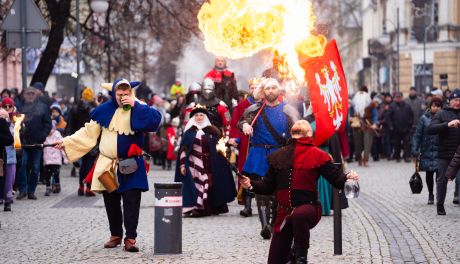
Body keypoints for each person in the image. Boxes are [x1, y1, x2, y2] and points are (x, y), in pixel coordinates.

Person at [55, 79, 162, 252]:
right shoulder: (104, 111)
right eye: (119, 94)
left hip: (132, 163)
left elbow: (155, 121)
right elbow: (88, 133)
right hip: (108, 164)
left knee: (131, 200)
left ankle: (131, 237)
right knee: (111, 200)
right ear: (113, 94)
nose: (122, 97)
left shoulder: (139, 107)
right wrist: (65, 142)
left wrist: (136, 105)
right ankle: (116, 234)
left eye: (126, 94)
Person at [240, 120, 360, 264]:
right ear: (309, 134)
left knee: (299, 215)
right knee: (275, 260)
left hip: (308, 208)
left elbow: (336, 178)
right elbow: (267, 185)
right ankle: (292, 256)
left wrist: (347, 177)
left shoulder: (317, 155)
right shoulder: (279, 155)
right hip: (284, 213)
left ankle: (301, 257)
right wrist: (250, 184)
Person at [239, 78, 299, 239]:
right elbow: (243, 121)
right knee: (260, 190)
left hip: (279, 154)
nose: (271, 91)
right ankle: (264, 225)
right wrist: (245, 126)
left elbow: (297, 130)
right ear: (263, 91)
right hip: (259, 155)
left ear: (279, 90)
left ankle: (273, 223)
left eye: (274, 88)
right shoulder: (255, 109)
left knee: (276, 192)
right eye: (268, 88)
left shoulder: (288, 109)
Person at [174, 105, 236, 217]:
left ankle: (212, 207)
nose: (199, 117)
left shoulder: (213, 131)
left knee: (211, 183)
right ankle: (197, 207)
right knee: (200, 183)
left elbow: (220, 146)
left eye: (201, 115)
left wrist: (228, 145)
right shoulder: (189, 132)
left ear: (205, 117)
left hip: (211, 162)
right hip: (194, 162)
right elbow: (183, 150)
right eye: (196, 115)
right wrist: (182, 165)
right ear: (193, 118)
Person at [229, 78, 261, 217]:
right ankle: (247, 206)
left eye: (257, 87)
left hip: (263, 144)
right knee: (246, 171)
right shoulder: (243, 105)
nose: (254, 90)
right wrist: (235, 138)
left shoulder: (266, 104)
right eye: (252, 87)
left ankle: (265, 206)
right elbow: (235, 124)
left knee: (263, 174)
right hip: (246, 143)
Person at [427, 89, 460, 215]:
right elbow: (431, 129)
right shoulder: (441, 114)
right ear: (450, 100)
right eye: (455, 100)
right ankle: (440, 205)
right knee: (442, 180)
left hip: (459, 154)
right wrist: (447, 125)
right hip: (445, 153)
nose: (458, 103)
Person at [16, 85, 52, 200]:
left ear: (36, 95)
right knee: (22, 166)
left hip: (37, 143)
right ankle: (23, 190)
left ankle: (31, 191)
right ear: (24, 95)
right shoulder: (20, 107)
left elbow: (48, 124)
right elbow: (16, 123)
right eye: (28, 93)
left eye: (32, 93)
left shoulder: (43, 107)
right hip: (24, 143)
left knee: (36, 168)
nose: (30, 95)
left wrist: (42, 136)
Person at [411, 97, 443, 204]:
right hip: (427, 150)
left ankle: (439, 195)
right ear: (430, 106)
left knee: (440, 175)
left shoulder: (444, 118)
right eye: (434, 106)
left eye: (438, 106)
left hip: (440, 150)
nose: (436, 108)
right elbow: (417, 135)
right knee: (429, 174)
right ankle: (431, 194)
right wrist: (415, 149)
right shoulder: (424, 118)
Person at [67, 87, 97, 196]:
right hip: (91, 140)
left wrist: (71, 140)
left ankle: (80, 186)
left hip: (79, 139)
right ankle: (88, 188)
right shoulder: (94, 109)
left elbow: (70, 125)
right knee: (89, 164)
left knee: (83, 164)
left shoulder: (75, 108)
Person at [351, 86, 378, 166]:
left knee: (364, 143)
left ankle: (363, 159)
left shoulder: (370, 103)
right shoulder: (356, 103)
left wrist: (374, 123)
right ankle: (361, 159)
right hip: (359, 124)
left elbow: (375, 114)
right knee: (362, 143)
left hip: (366, 124)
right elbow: (375, 114)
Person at [43, 121, 68, 195]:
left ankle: (56, 185)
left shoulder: (57, 135)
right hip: (47, 159)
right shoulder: (44, 136)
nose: (50, 131)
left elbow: (62, 147)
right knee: (47, 174)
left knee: (56, 173)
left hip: (56, 159)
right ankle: (48, 187)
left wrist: (65, 158)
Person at [387, 92, 414, 162]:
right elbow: (388, 117)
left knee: (407, 144)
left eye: (400, 97)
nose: (398, 98)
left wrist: (410, 125)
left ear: (402, 97)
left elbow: (411, 116)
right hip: (396, 129)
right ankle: (397, 157)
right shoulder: (392, 106)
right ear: (395, 98)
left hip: (406, 129)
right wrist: (391, 126)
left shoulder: (407, 106)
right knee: (397, 144)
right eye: (397, 97)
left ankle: (407, 157)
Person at [0, 103, 15, 211]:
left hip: (1, 157)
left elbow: (9, 139)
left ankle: (6, 200)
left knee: (6, 179)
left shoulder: (1, 122)